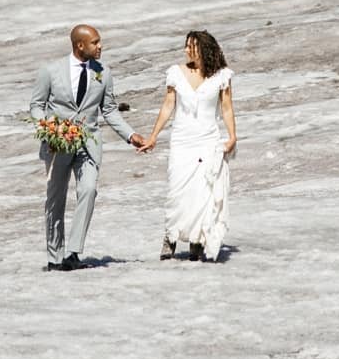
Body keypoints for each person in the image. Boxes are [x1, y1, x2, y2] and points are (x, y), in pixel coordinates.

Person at [28, 24, 147, 271]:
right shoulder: (50, 71)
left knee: (89, 190)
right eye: (95, 42)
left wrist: (130, 134)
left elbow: (110, 110)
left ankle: (73, 252)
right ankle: (54, 258)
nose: (100, 46)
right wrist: (49, 127)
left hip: (89, 144)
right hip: (58, 144)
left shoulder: (103, 72)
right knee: (55, 199)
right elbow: (36, 105)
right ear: (80, 45)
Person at [137, 29, 236, 261]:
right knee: (177, 189)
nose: (186, 50)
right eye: (186, 46)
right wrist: (153, 136)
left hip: (208, 139)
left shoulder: (221, 76)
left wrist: (232, 136)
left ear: (203, 50)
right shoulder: (176, 73)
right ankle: (170, 236)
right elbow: (168, 105)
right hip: (182, 140)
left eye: (191, 46)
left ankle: (196, 241)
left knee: (203, 191)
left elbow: (227, 107)